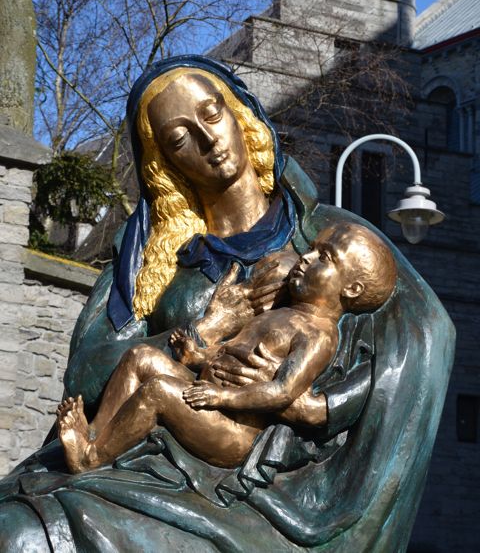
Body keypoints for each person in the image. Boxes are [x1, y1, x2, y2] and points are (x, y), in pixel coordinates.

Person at [0, 56, 455, 553]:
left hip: (248, 485)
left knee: (27, 536)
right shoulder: (151, 256)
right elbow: (86, 374)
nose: (208, 140)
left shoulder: (329, 237)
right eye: (180, 139)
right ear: (165, 164)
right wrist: (206, 330)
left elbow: (423, 337)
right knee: (13, 522)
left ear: (240, 114)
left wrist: (318, 408)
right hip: (137, 446)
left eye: (212, 114)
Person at [56, 222, 397, 473]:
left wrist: (223, 397)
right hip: (206, 395)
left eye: (324, 257)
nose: (305, 258)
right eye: (311, 248)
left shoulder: (318, 336)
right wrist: (198, 355)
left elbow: (282, 391)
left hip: (232, 428)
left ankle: (90, 460)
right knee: (139, 357)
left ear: (351, 289)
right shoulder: (280, 312)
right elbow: (232, 351)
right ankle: (96, 433)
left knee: (158, 391)